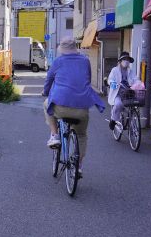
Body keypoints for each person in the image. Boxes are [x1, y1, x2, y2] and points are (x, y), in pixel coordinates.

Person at [42, 37, 105, 171]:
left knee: (47, 104)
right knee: (81, 135)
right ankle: (78, 166)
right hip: (82, 109)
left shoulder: (58, 61)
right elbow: (87, 79)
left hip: (61, 106)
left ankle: (54, 135)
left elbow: (49, 79)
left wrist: (46, 92)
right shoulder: (85, 61)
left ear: (62, 50)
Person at [107, 52, 141, 130]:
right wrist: (113, 84)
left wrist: (139, 84)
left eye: (128, 59)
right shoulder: (114, 70)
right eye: (124, 59)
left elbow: (136, 79)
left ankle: (131, 120)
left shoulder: (130, 71)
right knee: (118, 104)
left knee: (135, 104)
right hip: (118, 93)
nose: (126, 61)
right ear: (120, 61)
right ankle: (113, 119)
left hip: (129, 93)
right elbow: (110, 80)